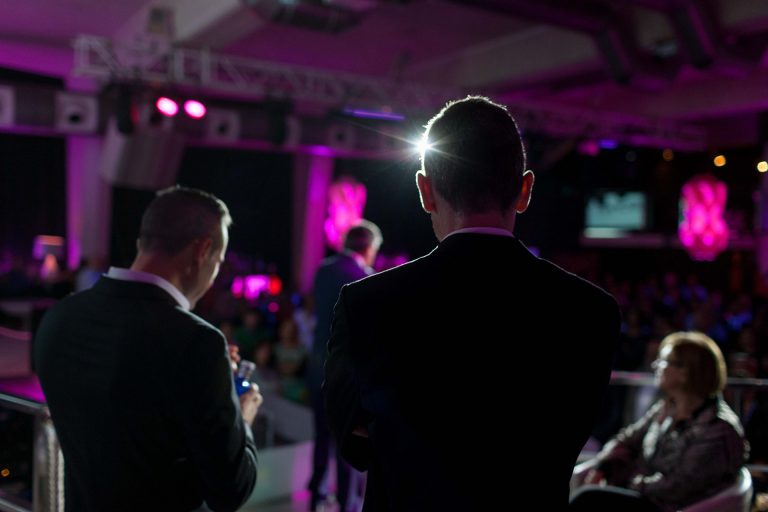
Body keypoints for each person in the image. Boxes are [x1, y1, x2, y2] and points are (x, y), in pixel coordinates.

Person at [323, 96, 620, 511]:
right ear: (525, 190)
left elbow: (351, 437)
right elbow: (570, 432)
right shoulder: (591, 312)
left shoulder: (367, 303)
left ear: (425, 190)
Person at [34, 186, 263, 512]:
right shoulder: (198, 343)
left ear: (144, 240)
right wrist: (241, 417)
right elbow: (231, 490)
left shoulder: (60, 318)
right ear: (202, 251)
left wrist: (212, 381)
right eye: (218, 262)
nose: (214, 276)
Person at [570, 331, 747, 512]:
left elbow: (677, 486)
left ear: (684, 373)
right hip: (647, 495)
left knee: (588, 500)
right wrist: (604, 467)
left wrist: (626, 482)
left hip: (669, 506)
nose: (656, 365)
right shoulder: (667, 407)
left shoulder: (718, 428)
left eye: (664, 360)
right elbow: (627, 438)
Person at [308, 221, 382, 512]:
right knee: (347, 447)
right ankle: (346, 505)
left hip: (317, 372)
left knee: (320, 441)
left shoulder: (323, 270)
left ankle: (315, 499)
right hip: (349, 380)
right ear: (368, 247)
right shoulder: (365, 278)